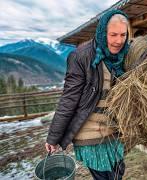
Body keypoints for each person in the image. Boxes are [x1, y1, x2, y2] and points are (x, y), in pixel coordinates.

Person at [45, 10, 129, 180]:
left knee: (118, 173)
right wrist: (54, 137)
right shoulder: (81, 56)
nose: (119, 41)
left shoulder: (125, 55)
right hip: (89, 133)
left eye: (123, 35)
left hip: (114, 131)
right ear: (102, 32)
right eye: (113, 35)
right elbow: (69, 99)